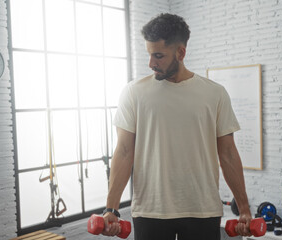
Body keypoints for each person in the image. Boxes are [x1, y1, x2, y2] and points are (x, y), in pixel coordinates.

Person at [101, 13, 252, 240]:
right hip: (150, 211)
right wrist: (111, 209)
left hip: (203, 209)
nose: (151, 63)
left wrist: (244, 209)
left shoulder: (214, 93)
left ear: (181, 53)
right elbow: (123, 151)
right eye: (149, 55)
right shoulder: (134, 93)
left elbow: (228, 153)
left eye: (158, 56)